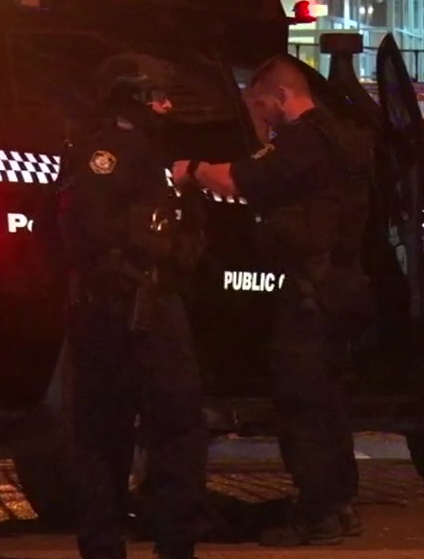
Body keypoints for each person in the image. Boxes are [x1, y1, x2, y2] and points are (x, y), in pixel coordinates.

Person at [172, 54, 374, 547]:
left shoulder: (302, 143)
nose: (260, 118)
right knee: (327, 401)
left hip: (309, 289)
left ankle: (318, 514)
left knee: (301, 403)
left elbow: (237, 180)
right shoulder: (343, 138)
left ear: (283, 96)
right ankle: (339, 504)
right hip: (339, 285)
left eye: (262, 106)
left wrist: (191, 169)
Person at [57, 53, 209, 559]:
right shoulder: (110, 154)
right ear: (134, 98)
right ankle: (142, 544)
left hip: (139, 303)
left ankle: (157, 541)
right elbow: (99, 234)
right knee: (141, 430)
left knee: (142, 430)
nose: (167, 105)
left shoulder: (134, 150)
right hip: (127, 309)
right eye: (157, 96)